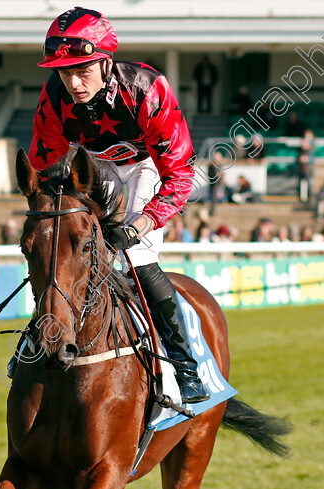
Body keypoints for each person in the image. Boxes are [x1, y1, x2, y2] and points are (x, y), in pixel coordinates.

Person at [24, 7, 207, 403]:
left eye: (82, 71)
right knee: (62, 248)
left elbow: (179, 173)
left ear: (106, 62)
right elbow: (45, 165)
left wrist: (143, 223)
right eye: (63, 72)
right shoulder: (54, 96)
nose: (73, 83)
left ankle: (186, 365)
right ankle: (42, 334)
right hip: (93, 166)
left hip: (147, 165)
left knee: (136, 256)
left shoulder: (147, 87)